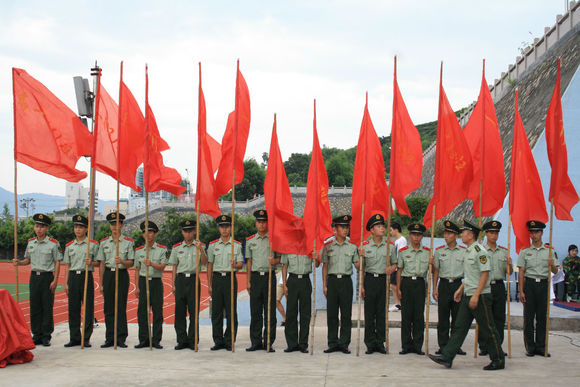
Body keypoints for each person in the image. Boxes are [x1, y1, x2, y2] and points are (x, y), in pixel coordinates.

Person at [429, 219, 505, 370]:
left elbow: (485, 274)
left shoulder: (480, 252)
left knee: (488, 328)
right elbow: (471, 275)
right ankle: (447, 356)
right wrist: (460, 289)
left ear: (470, 235)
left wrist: (476, 295)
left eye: (463, 232)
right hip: (468, 294)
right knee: (459, 326)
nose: (461, 234)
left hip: (480, 296)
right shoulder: (469, 250)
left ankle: (498, 359)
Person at [13, 213, 61, 347]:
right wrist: (19, 263)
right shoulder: (31, 243)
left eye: (42, 226)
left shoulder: (53, 244)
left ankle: (46, 335)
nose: (39, 229)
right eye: (37, 226)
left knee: (46, 306)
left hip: (47, 277)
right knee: (34, 307)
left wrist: (55, 280)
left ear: (47, 228)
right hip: (34, 277)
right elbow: (28, 260)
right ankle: (36, 334)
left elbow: (57, 262)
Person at [518, 220, 559, 357]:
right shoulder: (525, 252)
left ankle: (541, 346)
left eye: (537, 232)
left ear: (541, 233)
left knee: (542, 317)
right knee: (528, 318)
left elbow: (555, 272)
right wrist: (522, 291)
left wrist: (552, 264)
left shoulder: (549, 252)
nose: (534, 235)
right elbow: (522, 272)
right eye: (532, 232)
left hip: (543, 284)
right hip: (529, 285)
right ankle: (530, 347)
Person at [321, 215, 360, 354]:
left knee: (346, 314)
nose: (345, 230)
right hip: (332, 281)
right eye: (342, 227)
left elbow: (358, 266)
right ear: (335, 229)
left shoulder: (353, 246)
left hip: (345, 281)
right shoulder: (328, 246)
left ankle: (344, 343)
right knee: (331, 314)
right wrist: (324, 285)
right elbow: (325, 266)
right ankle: (332, 342)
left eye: (347, 227)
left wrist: (361, 257)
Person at [358, 214, 396, 354]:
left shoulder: (390, 247)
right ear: (372, 230)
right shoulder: (365, 246)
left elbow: (395, 264)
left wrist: (391, 269)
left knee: (381, 312)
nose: (382, 228)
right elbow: (360, 269)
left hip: (382, 280)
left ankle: (380, 342)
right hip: (370, 280)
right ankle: (370, 342)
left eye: (383, 226)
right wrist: (362, 285)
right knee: (369, 313)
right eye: (378, 226)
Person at [96, 212, 134, 348]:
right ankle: (110, 337)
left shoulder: (128, 243)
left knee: (121, 306)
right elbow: (101, 264)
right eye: (112, 224)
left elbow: (131, 263)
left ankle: (121, 337)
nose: (114, 226)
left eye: (117, 223)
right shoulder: (104, 243)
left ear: (122, 225)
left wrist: (122, 261)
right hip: (109, 275)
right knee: (109, 308)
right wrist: (101, 283)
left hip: (122, 274)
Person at [207, 214, 243, 351]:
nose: (225, 229)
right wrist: (209, 284)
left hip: (230, 279)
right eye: (222, 227)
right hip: (217, 280)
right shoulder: (213, 245)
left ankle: (229, 340)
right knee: (216, 312)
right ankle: (218, 340)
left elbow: (241, 264)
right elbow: (209, 265)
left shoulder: (236, 246)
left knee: (231, 311)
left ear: (231, 228)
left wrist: (236, 264)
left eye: (227, 226)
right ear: (218, 228)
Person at [169, 219, 207, 350]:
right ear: (182, 232)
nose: (188, 233)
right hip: (180, 280)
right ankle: (181, 340)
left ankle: (192, 340)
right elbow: (174, 266)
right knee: (179, 312)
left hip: (193, 280)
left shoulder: (199, 245)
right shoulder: (176, 248)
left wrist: (201, 249)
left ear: (194, 231)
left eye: (190, 231)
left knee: (193, 311)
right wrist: (173, 284)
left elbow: (204, 262)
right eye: (185, 231)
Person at [62, 215, 98, 348]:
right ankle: (74, 337)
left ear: (86, 229)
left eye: (81, 227)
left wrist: (92, 262)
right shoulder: (69, 246)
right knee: (73, 309)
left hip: (86, 276)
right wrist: (65, 283)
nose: (78, 229)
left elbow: (99, 263)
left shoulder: (92, 245)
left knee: (88, 308)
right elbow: (67, 266)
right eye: (76, 227)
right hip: (73, 277)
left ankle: (86, 337)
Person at [245, 209, 279, 352]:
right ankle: (256, 341)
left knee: (269, 311)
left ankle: (268, 342)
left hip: (269, 276)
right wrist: (248, 281)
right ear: (256, 223)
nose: (262, 225)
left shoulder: (274, 240)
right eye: (259, 222)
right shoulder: (250, 241)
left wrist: (274, 261)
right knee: (256, 311)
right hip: (256, 278)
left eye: (264, 222)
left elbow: (280, 260)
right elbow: (249, 263)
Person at [478, 220, 512, 356]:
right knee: (485, 317)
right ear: (486, 234)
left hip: (498, 286)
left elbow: (508, 272)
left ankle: (497, 345)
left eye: (496, 233)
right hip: (485, 286)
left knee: (498, 318)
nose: (494, 235)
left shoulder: (504, 252)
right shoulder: (481, 251)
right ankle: (484, 345)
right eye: (491, 232)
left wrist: (509, 264)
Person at [432, 220, 466, 356]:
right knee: (443, 317)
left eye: (449, 233)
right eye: (445, 233)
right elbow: (436, 271)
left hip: (458, 285)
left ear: (456, 236)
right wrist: (434, 288)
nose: (446, 236)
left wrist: (463, 288)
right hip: (444, 285)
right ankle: (443, 345)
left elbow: (468, 271)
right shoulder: (439, 251)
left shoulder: (464, 252)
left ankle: (455, 345)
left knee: (457, 318)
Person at [396, 223, 430, 355]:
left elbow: (431, 271)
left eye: (419, 235)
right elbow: (399, 271)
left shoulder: (427, 252)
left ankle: (417, 345)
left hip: (420, 284)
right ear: (410, 235)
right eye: (414, 234)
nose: (416, 237)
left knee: (418, 316)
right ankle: (406, 345)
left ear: (422, 236)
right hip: (407, 284)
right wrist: (398, 288)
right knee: (406, 316)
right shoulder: (403, 252)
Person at [134, 221, 167, 349]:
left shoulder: (161, 250)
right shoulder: (138, 251)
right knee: (142, 312)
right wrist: (137, 287)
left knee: (157, 312)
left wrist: (151, 264)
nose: (148, 235)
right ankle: (143, 339)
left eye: (151, 232)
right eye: (146, 232)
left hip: (156, 282)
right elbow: (136, 270)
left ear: (155, 234)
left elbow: (163, 267)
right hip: (143, 281)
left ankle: (156, 340)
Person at [281, 252, 319, 353]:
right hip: (292, 281)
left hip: (305, 281)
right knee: (291, 313)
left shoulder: (309, 248)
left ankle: (303, 344)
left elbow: (317, 264)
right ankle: (291, 344)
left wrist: (315, 258)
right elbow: (284, 266)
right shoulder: (288, 248)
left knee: (305, 314)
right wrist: (284, 284)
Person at [389, 222, 406, 312]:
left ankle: (398, 304)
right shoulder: (397, 241)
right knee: (393, 285)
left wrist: (398, 266)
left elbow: (401, 254)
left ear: (396, 230)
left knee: (394, 285)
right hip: (395, 267)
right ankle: (398, 304)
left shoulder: (402, 240)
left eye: (391, 230)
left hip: (398, 267)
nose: (390, 232)